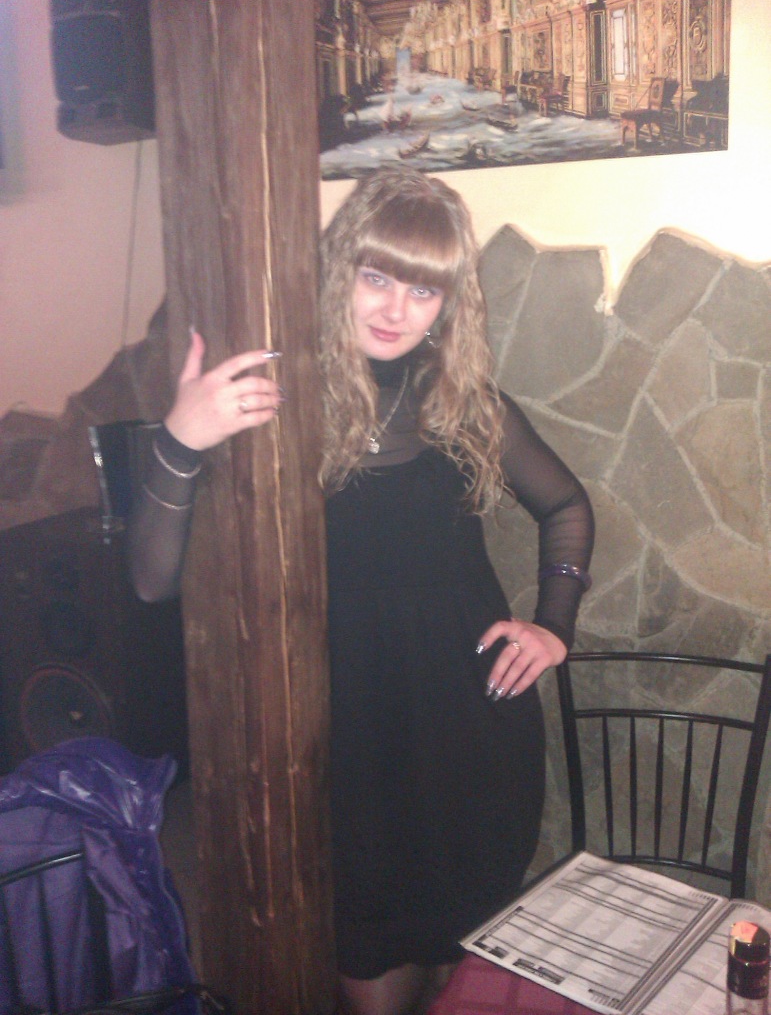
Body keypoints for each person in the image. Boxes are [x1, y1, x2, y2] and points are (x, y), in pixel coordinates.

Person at [128, 166, 594, 1015]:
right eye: (376, 277)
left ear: (447, 304)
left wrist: (552, 626)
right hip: (346, 740)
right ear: (339, 270)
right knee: (367, 956)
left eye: (422, 289)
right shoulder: (272, 404)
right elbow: (152, 581)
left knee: (454, 960)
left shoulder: (463, 405)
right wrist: (180, 441)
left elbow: (565, 506)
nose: (394, 309)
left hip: (469, 727)